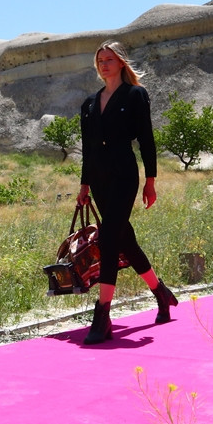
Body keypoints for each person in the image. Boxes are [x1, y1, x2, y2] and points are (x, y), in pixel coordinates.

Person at [76, 40, 177, 344]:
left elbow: (146, 139)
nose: (104, 64)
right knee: (124, 240)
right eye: (100, 60)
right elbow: (88, 149)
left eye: (109, 59)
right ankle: (161, 292)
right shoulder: (89, 104)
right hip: (98, 177)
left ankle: (102, 312)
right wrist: (84, 184)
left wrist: (151, 180)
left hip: (124, 174)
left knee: (108, 238)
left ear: (121, 62)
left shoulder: (135, 95)